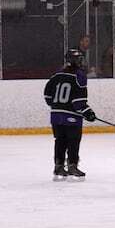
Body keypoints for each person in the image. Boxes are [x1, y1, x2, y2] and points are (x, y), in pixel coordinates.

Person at [43, 49, 96, 181]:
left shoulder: (56, 75)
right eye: (79, 59)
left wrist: (56, 106)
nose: (81, 62)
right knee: (73, 140)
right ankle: (72, 165)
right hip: (71, 116)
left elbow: (47, 94)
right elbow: (78, 101)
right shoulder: (79, 75)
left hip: (55, 115)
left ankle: (58, 166)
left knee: (60, 140)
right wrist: (88, 112)